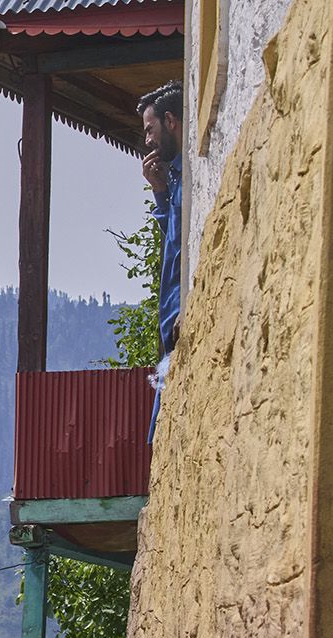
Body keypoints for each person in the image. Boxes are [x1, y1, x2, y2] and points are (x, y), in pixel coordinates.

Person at [140, 80, 184, 440]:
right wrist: (160, 192)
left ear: (170, 121)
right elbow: (175, 234)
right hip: (171, 330)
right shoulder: (176, 181)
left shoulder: (192, 177)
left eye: (150, 129)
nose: (148, 141)